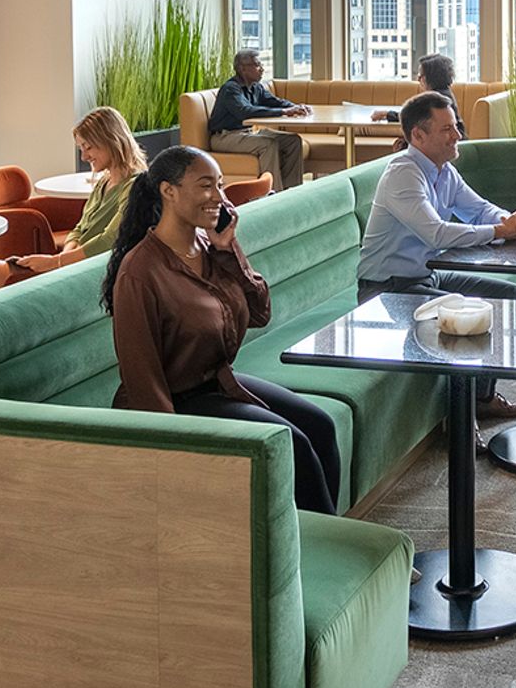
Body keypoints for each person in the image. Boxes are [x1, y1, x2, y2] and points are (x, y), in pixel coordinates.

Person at [103, 145, 341, 514]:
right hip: (177, 401)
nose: (219, 197)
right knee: (292, 443)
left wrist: (229, 249)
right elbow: (141, 374)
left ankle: (331, 540)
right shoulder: (140, 272)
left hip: (217, 382)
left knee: (321, 426)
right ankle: (322, 556)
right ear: (169, 191)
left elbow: (260, 312)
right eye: (205, 186)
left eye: (220, 186)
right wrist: (172, 448)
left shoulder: (209, 246)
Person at [357, 90, 516, 423]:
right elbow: (436, 233)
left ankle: (481, 399)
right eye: (447, 130)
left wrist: (510, 222)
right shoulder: (403, 173)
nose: (458, 136)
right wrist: (500, 232)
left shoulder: (443, 170)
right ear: (418, 135)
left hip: (426, 276)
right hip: (386, 290)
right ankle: (460, 421)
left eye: (456, 126)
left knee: (511, 296)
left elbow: (478, 209)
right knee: (469, 319)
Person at [0, 107, 146, 306]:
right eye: (81, 149)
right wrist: (62, 259)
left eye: (88, 147)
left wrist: (55, 264)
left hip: (84, 274)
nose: (84, 157)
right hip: (70, 267)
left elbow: (110, 240)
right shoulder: (104, 182)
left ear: (109, 141)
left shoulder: (134, 187)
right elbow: (79, 229)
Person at [207, 49, 311, 190]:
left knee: (293, 141)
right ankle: (273, 195)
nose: (262, 69)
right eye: (257, 65)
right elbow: (245, 111)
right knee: (268, 144)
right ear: (242, 69)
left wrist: (296, 107)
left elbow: (275, 101)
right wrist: (284, 112)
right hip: (225, 137)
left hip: (247, 133)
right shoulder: (230, 89)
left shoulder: (256, 87)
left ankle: (292, 191)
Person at [375, 53, 463, 136]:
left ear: (431, 77)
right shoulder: (444, 93)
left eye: (421, 75)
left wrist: (386, 114)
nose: (418, 79)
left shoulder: (436, 99)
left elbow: (413, 117)